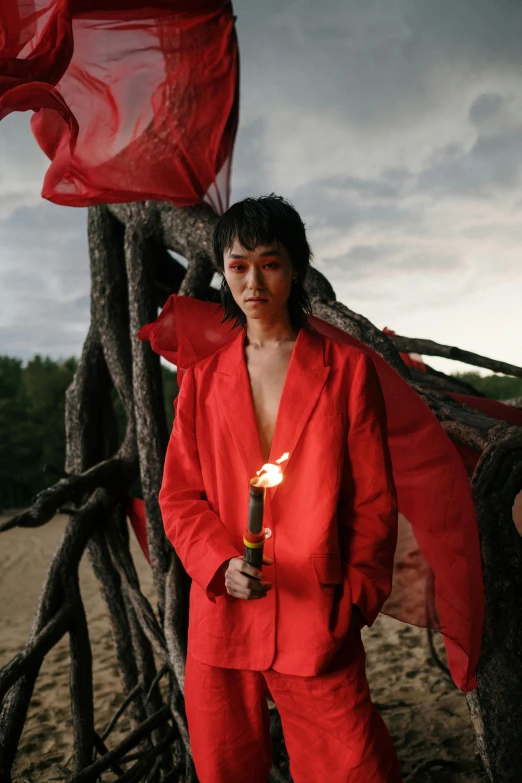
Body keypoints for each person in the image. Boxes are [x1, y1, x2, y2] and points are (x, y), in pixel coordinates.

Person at [158, 194, 404, 782]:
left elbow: (373, 500)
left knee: (355, 768)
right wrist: (219, 564)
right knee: (226, 769)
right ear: (224, 272)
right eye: (238, 265)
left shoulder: (347, 372)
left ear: (295, 267)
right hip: (224, 615)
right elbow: (179, 496)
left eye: (269, 263)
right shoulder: (199, 380)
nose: (253, 281)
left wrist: (357, 597)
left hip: (317, 614)